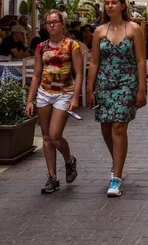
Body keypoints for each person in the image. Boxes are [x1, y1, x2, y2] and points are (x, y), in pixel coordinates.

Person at [87, 0, 146, 197]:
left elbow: (140, 60)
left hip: (126, 83)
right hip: (104, 83)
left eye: (113, 2)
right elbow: (94, 61)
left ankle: (116, 178)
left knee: (118, 126)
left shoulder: (134, 29)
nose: (110, 6)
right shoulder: (99, 31)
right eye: (107, 3)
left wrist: (142, 88)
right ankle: (117, 160)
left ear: (122, 6)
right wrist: (89, 88)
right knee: (105, 127)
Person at [25, 10, 83, 194]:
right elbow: (35, 75)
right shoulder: (41, 47)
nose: (51, 25)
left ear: (62, 24)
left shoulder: (72, 45)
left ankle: (69, 160)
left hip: (63, 93)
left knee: (55, 135)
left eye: (55, 22)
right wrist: (30, 100)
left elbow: (79, 73)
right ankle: (52, 177)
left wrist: (75, 96)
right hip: (44, 92)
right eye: (48, 22)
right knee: (46, 137)